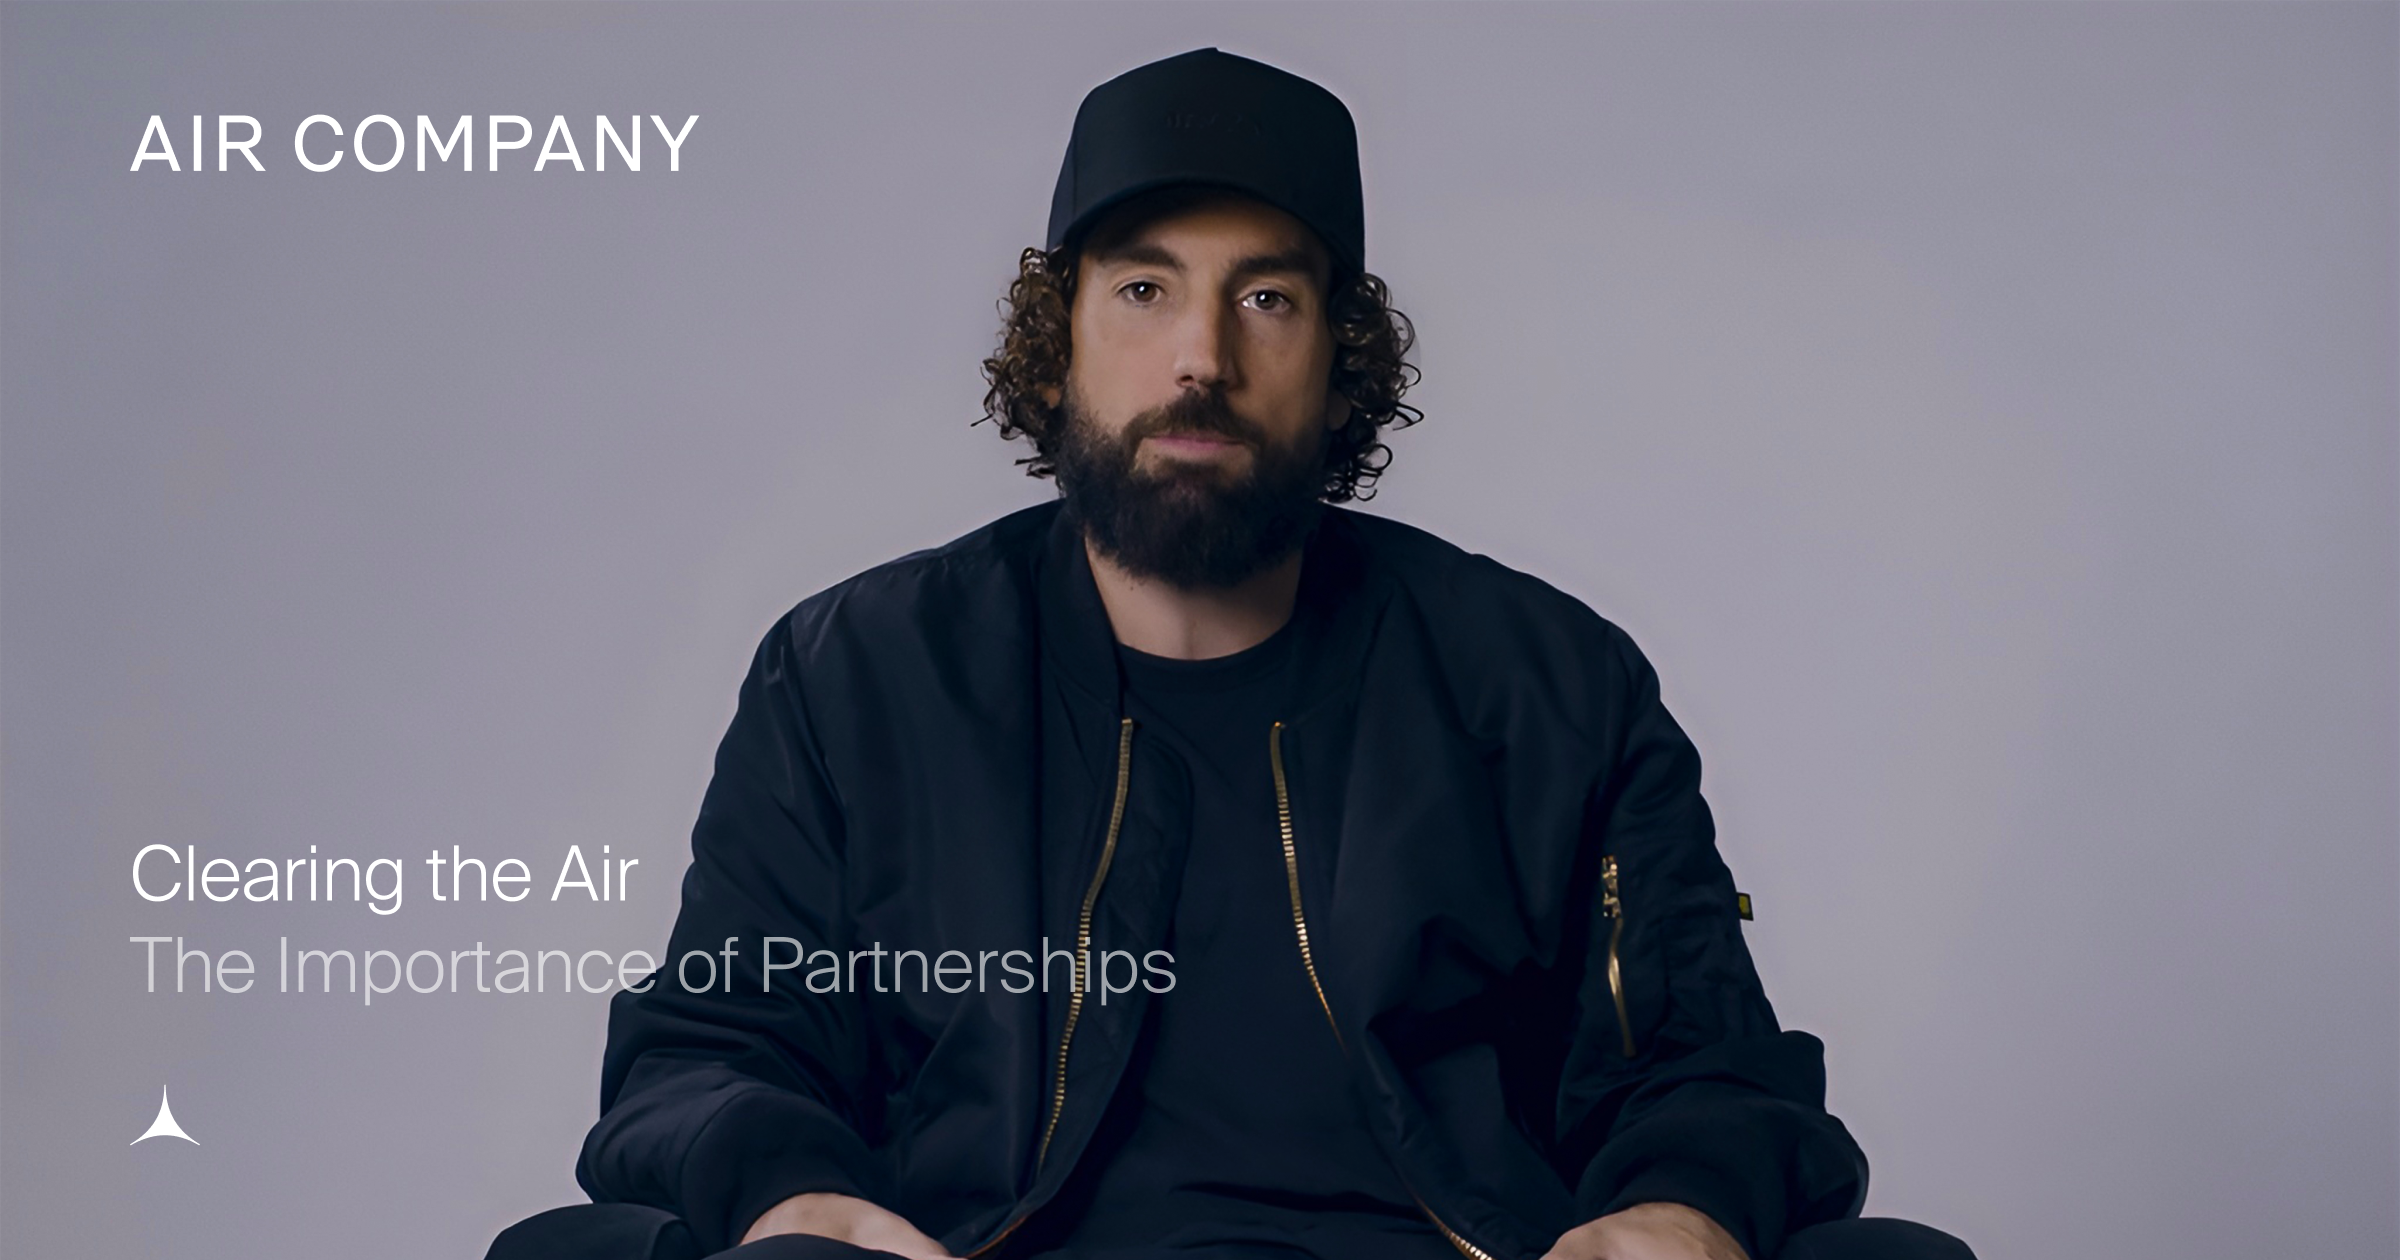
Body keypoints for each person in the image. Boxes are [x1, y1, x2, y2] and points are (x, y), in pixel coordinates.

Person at [489, 47, 1976, 1260]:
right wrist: (792, 1200)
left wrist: (1681, 1207)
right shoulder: (857, 675)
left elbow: (1713, 1060)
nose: (1202, 352)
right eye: (1143, 289)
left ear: (1342, 359)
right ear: (1058, 339)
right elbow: (702, 1049)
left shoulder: (1545, 683)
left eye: (1267, 296)